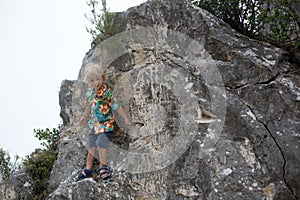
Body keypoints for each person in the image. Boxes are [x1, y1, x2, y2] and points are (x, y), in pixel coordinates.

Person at [77, 63, 131, 181]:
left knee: (101, 142)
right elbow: (89, 107)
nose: (96, 82)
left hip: (106, 123)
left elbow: (115, 105)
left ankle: (103, 167)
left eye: (98, 79)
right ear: (88, 82)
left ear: (102, 78)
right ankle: (88, 169)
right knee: (91, 144)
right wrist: (84, 117)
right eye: (92, 80)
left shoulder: (106, 91)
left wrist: (125, 117)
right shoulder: (90, 94)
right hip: (94, 124)